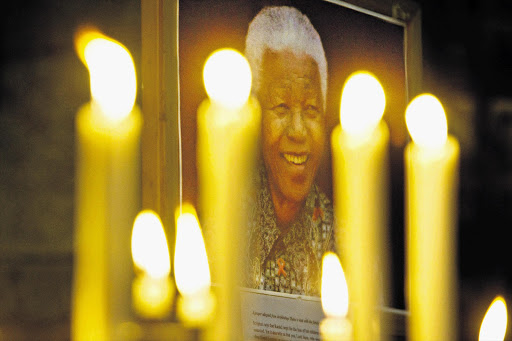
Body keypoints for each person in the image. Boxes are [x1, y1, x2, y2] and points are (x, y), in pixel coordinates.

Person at [242, 6, 336, 297]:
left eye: (311, 109)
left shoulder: (343, 240)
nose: (297, 131)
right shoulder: (223, 223)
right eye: (281, 106)